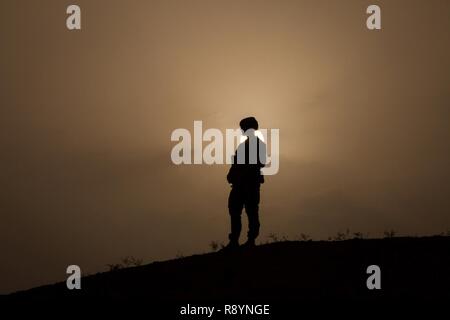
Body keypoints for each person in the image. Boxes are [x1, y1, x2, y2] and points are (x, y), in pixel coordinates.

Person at [224, 117, 266, 250]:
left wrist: (244, 171)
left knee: (251, 211)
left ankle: (250, 240)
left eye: (244, 128)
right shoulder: (243, 146)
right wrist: (232, 174)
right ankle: (234, 241)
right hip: (239, 184)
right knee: (234, 210)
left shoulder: (258, 145)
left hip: (250, 184)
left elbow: (261, 162)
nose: (243, 130)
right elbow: (236, 163)